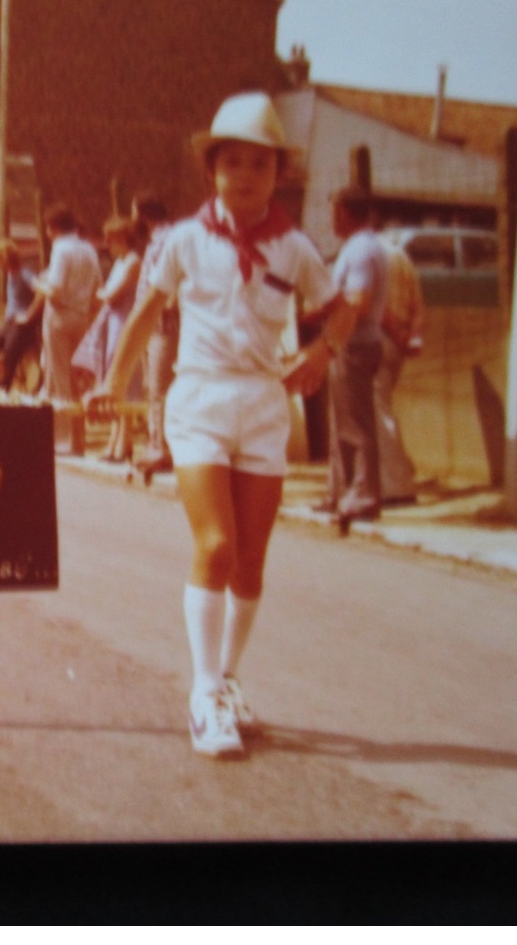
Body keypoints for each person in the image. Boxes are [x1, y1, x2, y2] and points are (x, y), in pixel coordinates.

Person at [87, 92, 358, 758]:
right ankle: (204, 696)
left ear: (278, 174)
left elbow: (342, 306)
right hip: (201, 400)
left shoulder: (293, 247)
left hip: (265, 407)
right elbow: (148, 310)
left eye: (259, 165)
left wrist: (322, 353)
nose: (244, 175)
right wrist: (111, 380)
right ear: (211, 169)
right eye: (231, 162)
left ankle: (228, 678)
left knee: (251, 560)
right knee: (215, 546)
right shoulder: (183, 240)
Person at [320, 184, 390, 528]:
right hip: (347, 343)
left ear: (345, 213)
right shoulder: (361, 246)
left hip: (355, 344)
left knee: (357, 424)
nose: (330, 218)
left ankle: (363, 495)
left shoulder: (361, 250)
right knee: (343, 421)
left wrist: (323, 313)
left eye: (333, 211)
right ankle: (341, 491)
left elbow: (359, 301)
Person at [73, 217, 146, 461]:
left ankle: (123, 442)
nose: (108, 243)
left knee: (123, 383)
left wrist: (102, 293)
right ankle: (115, 441)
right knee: (108, 379)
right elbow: (103, 292)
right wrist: (102, 293)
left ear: (123, 238)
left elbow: (110, 294)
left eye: (112, 239)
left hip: (124, 325)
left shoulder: (133, 262)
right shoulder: (120, 263)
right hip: (111, 325)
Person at [36, 204, 102, 413]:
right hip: (81, 316)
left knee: (60, 376)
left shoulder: (61, 249)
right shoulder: (89, 249)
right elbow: (97, 288)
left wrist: (37, 283)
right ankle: (78, 433)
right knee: (76, 376)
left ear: (53, 227)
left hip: (59, 317)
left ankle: (63, 431)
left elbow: (55, 289)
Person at [131, 194, 179, 479]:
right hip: (152, 326)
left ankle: (162, 447)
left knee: (160, 386)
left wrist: (169, 302)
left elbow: (173, 276)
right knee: (152, 385)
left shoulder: (167, 239)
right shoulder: (155, 240)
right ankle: (155, 442)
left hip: (163, 324)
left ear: (144, 214)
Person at [376, 237, 426, 504]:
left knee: (377, 412)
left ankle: (397, 486)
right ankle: (392, 479)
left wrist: (396, 335)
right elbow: (419, 304)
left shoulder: (369, 253)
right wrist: (413, 337)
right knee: (382, 408)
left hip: (381, 339)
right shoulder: (401, 256)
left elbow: (375, 305)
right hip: (398, 344)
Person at [0, 239, 41, 390]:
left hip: (22, 326)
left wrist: (29, 316)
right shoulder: (11, 274)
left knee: (9, 357)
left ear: (6, 259)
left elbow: (41, 291)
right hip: (11, 322)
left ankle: (3, 389)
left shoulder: (24, 273)